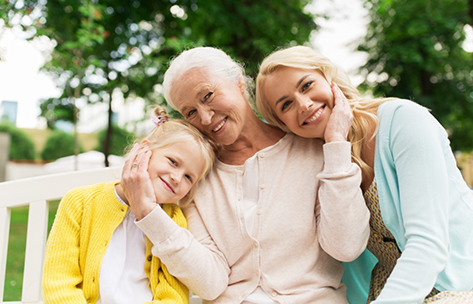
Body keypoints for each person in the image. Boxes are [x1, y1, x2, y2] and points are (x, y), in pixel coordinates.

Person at [120, 46, 370, 304]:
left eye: (207, 95)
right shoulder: (194, 179)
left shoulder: (314, 151)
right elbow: (210, 284)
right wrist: (149, 214)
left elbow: (346, 247)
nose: (205, 118)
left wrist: (337, 144)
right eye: (191, 112)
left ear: (239, 83)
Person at [255, 45, 473, 304]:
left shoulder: (404, 121)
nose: (303, 104)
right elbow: (341, 249)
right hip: (391, 291)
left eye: (306, 85)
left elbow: (429, 243)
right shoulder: (321, 164)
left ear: (329, 78)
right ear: (283, 123)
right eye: (286, 105)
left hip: (459, 282)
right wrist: (336, 141)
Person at [42, 106, 216, 304]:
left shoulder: (173, 221)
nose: (177, 178)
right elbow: (59, 283)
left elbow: (173, 296)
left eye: (188, 177)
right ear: (143, 150)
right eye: (173, 162)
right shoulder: (79, 202)